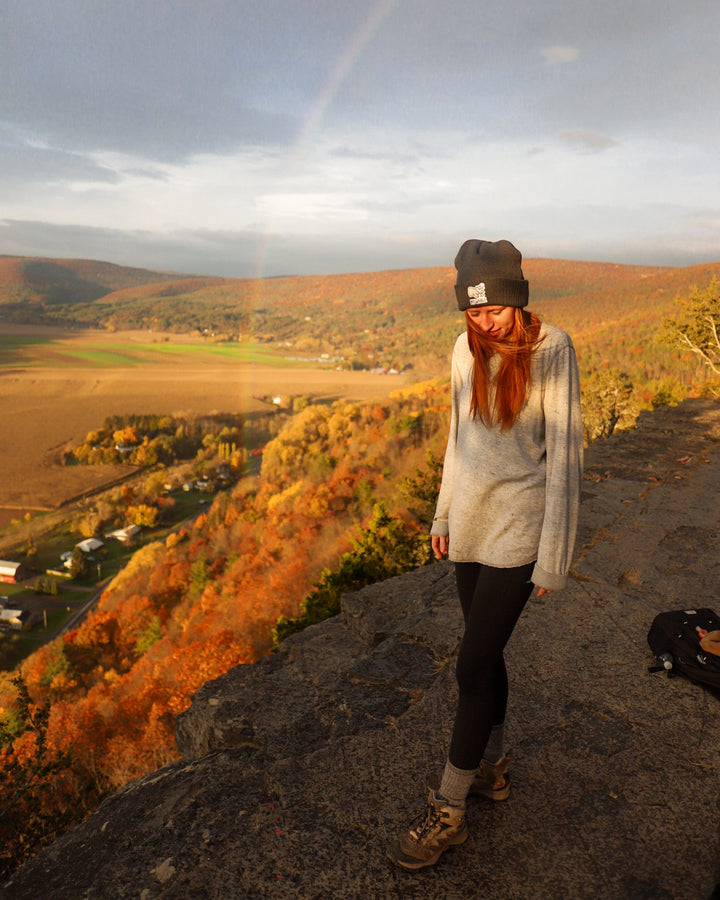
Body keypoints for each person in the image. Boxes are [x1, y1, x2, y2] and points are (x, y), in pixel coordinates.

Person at [387, 238, 583, 871]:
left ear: (516, 298)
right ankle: (493, 768)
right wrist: (444, 513)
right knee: (486, 653)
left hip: (519, 530)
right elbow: (457, 438)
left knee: (469, 668)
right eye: (473, 311)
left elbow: (566, 461)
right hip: (470, 526)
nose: (484, 321)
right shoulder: (462, 350)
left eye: (493, 309)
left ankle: (449, 808)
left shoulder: (553, 350)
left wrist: (553, 555)